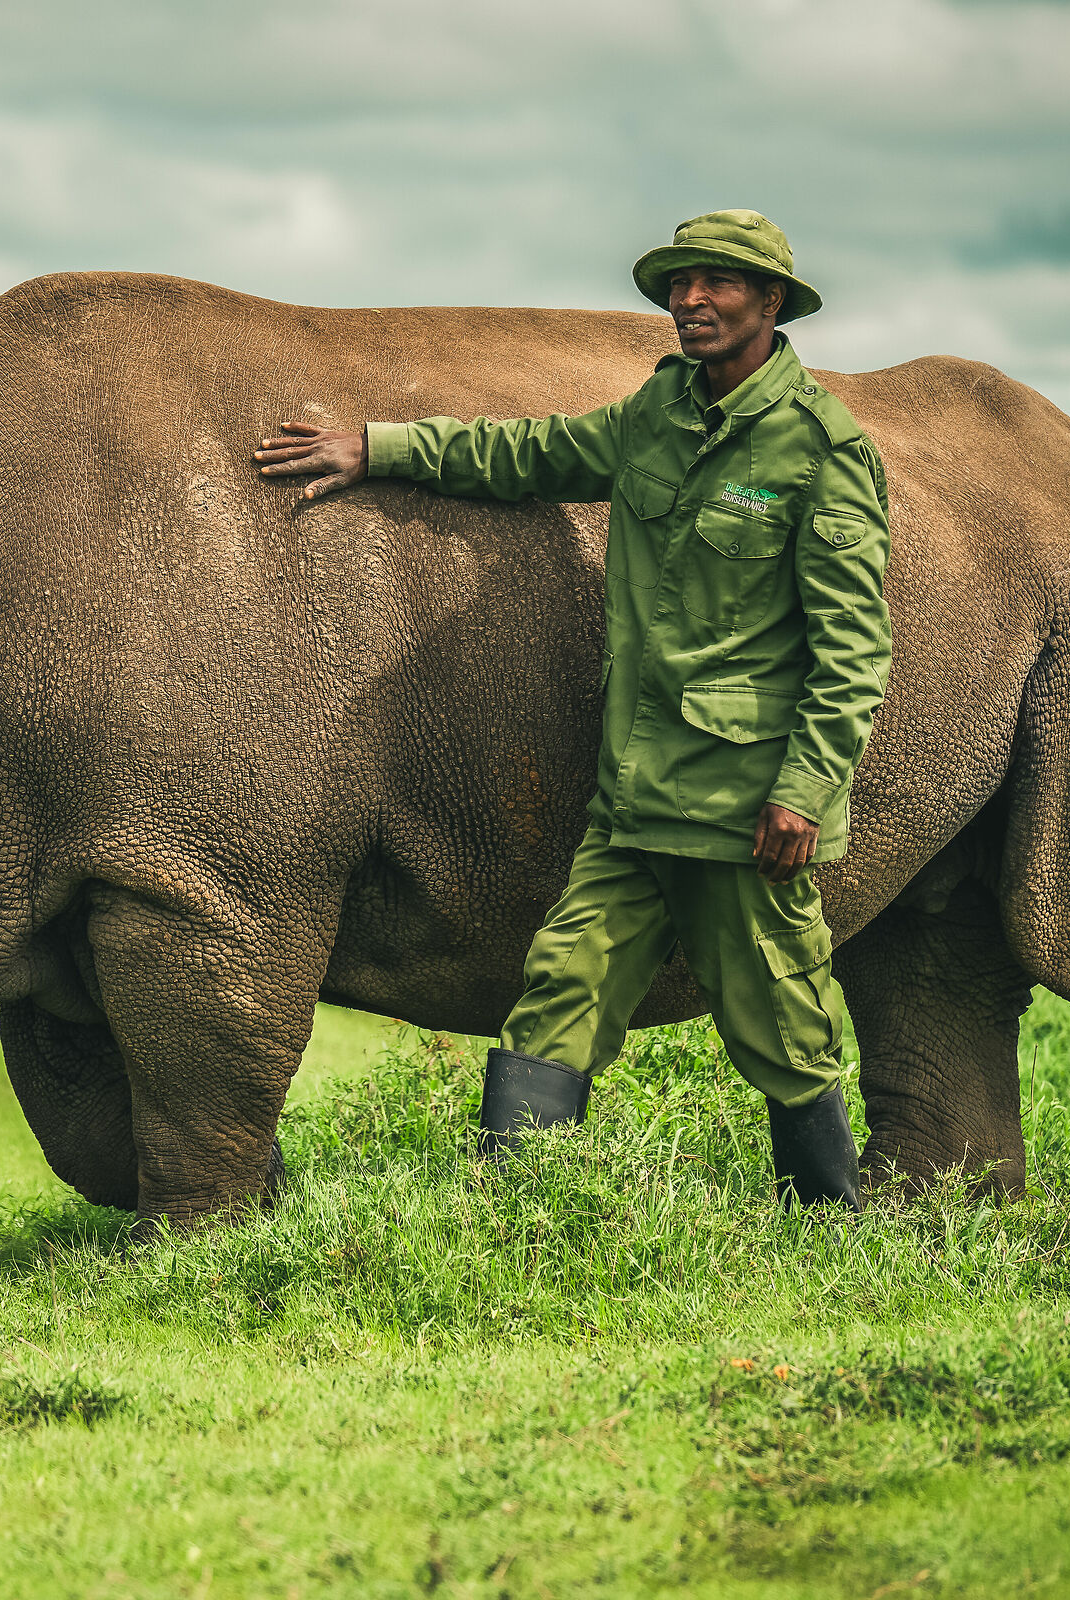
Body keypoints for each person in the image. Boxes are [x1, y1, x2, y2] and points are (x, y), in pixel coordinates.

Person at [252, 210, 890, 1208]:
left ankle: (828, 1223)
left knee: (784, 1021)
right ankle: (516, 1226)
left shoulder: (821, 450)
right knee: (558, 994)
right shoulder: (656, 416)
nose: (691, 301)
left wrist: (804, 791)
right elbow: (527, 453)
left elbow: (854, 649)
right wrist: (375, 448)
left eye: (718, 284)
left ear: (770, 302)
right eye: (680, 284)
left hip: (742, 809)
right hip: (635, 796)